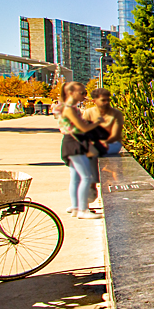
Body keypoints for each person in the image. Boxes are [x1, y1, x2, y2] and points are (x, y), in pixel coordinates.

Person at [56, 82, 105, 219]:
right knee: (86, 177)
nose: (85, 95)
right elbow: (81, 128)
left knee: (76, 177)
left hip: (70, 142)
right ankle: (83, 210)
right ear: (71, 93)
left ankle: (76, 206)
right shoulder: (69, 109)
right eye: (82, 92)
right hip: (75, 143)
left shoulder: (66, 108)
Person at [84, 88, 124, 155]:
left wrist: (105, 142)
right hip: (94, 143)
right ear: (94, 101)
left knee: (97, 150)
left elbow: (115, 135)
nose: (107, 102)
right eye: (103, 100)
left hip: (112, 143)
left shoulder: (116, 113)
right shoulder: (88, 113)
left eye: (108, 100)